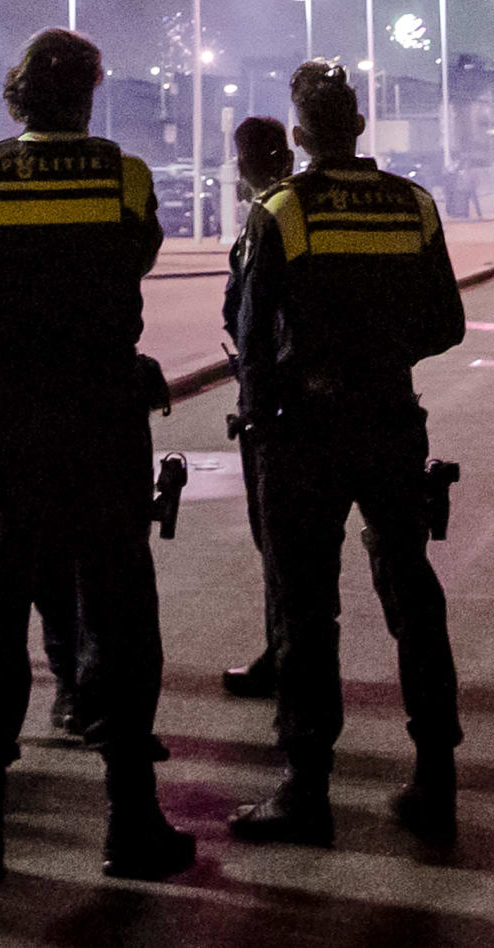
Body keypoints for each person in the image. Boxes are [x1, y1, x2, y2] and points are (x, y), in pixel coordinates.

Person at [0, 25, 193, 885]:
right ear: (90, 95)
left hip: (2, 424)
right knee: (116, 607)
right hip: (103, 423)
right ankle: (132, 820)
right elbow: (134, 264)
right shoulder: (125, 175)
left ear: (18, 94)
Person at [227, 58, 466, 854]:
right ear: (359, 127)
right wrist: (381, 354)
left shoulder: (283, 210)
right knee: (413, 597)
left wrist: (269, 421)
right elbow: (447, 325)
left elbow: (253, 342)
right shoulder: (415, 205)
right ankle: (436, 781)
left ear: (298, 136)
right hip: (393, 423)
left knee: (306, 611)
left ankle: (305, 791)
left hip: (304, 434)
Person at [217, 112, 297, 701]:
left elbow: (242, 317)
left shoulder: (268, 218)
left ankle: (287, 661)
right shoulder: (302, 208)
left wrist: (255, 399)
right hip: (356, 403)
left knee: (281, 544)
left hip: (275, 406)